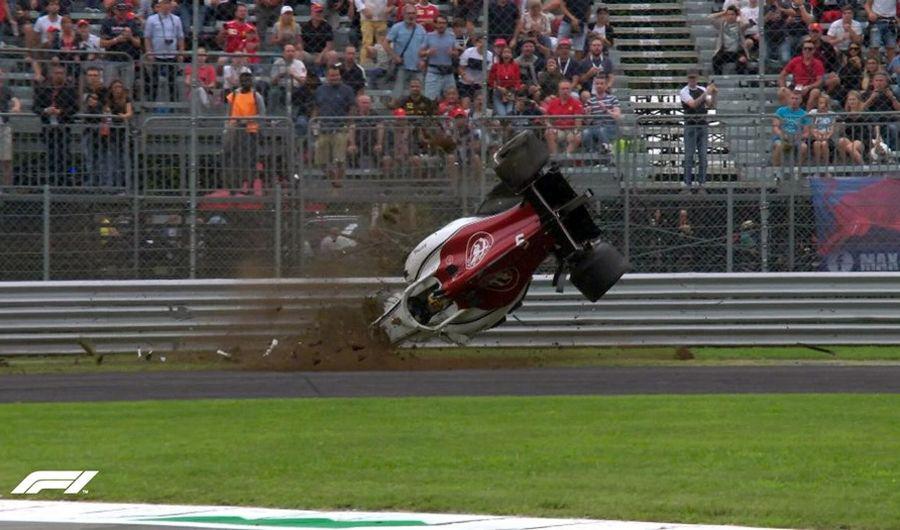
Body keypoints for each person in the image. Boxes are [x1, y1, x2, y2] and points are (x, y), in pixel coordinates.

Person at [33, 64, 78, 184]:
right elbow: (35, 107)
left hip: (64, 127)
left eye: (61, 73)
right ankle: (51, 178)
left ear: (65, 75)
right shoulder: (44, 88)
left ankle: (68, 176)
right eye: (56, 73)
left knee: (65, 154)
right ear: (52, 75)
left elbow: (75, 108)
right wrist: (45, 110)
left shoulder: (70, 90)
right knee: (50, 153)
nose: (59, 75)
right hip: (47, 127)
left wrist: (61, 111)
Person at [314, 66, 356, 187]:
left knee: (340, 159)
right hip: (324, 128)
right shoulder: (320, 90)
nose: (335, 78)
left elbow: (352, 107)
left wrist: (349, 123)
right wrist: (314, 123)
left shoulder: (347, 90)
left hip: (340, 127)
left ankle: (339, 182)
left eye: (337, 75)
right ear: (327, 77)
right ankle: (333, 179)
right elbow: (316, 108)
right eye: (332, 76)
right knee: (320, 160)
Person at [224, 71, 266, 187]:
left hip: (250, 131)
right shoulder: (233, 95)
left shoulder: (256, 96)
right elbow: (228, 113)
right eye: (243, 80)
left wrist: (246, 120)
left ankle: (250, 183)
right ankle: (235, 183)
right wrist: (227, 127)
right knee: (234, 159)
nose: (245, 83)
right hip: (234, 130)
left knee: (250, 159)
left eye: (248, 80)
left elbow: (262, 115)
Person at [679, 71, 717, 192]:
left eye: (694, 78)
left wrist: (714, 94)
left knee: (703, 156)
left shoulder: (701, 89)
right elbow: (693, 104)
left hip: (702, 124)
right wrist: (707, 92)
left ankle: (702, 184)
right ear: (687, 78)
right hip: (690, 125)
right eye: (690, 78)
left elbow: (711, 105)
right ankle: (687, 184)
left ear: (697, 78)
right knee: (689, 156)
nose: (692, 80)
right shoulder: (684, 91)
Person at [144, 0, 184, 102]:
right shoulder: (151, 19)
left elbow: (180, 37)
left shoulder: (176, 19)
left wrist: (181, 52)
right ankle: (151, 103)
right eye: (165, 3)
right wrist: (149, 52)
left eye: (169, 3)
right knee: (154, 81)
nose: (167, 6)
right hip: (156, 54)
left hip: (171, 55)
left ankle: (173, 104)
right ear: (160, 5)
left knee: (172, 82)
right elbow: (147, 37)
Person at [385, 5, 426, 97]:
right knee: (398, 93)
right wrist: (394, 56)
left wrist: (423, 60)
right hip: (402, 66)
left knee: (421, 93)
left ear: (416, 15)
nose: (411, 16)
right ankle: (397, 110)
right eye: (408, 13)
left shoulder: (421, 29)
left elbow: (425, 47)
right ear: (403, 14)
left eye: (413, 13)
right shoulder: (397, 27)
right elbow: (385, 43)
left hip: (417, 67)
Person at [778, 39, 824, 109]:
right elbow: (782, 75)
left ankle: (807, 116)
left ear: (814, 50)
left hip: (810, 88)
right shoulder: (795, 61)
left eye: (810, 49)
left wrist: (808, 87)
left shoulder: (818, 63)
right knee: (782, 91)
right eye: (805, 48)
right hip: (796, 87)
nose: (807, 50)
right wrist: (783, 87)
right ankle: (791, 112)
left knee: (815, 91)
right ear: (802, 50)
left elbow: (819, 81)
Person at [542, 79, 583, 156]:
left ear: (571, 90)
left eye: (567, 89)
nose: (565, 91)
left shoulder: (576, 103)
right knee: (548, 133)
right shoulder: (553, 103)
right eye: (563, 89)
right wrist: (549, 126)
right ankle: (555, 156)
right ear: (559, 90)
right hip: (557, 130)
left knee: (578, 136)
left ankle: (566, 155)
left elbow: (578, 121)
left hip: (571, 129)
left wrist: (576, 131)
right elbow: (546, 118)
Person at [104, 78, 132, 187]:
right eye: (115, 87)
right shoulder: (109, 99)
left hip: (123, 130)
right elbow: (106, 111)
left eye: (119, 87)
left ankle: (123, 185)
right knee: (112, 158)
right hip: (112, 130)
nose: (117, 89)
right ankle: (112, 184)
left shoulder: (126, 99)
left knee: (123, 159)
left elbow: (129, 113)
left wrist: (124, 116)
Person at [420, 15, 456, 100]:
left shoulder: (451, 36)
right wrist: (428, 52)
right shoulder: (429, 36)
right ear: (435, 24)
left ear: (447, 25)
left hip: (448, 73)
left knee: (452, 99)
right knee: (430, 99)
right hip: (433, 72)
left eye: (444, 23)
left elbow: (457, 52)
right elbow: (420, 53)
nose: (441, 25)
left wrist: (453, 53)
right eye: (439, 23)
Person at [582, 76, 620, 154]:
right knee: (585, 132)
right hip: (595, 127)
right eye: (597, 84)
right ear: (594, 86)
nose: (599, 86)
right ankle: (591, 153)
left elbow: (617, 116)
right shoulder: (590, 101)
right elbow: (587, 122)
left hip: (610, 127)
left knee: (601, 130)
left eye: (602, 84)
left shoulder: (613, 99)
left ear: (606, 86)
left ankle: (607, 151)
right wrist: (588, 114)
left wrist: (606, 110)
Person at [772, 89, 810, 167]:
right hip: (782, 137)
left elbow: (807, 132)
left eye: (797, 99)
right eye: (792, 98)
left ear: (801, 100)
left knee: (804, 147)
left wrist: (799, 137)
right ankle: (776, 169)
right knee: (779, 145)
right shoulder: (780, 111)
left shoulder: (804, 114)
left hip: (797, 138)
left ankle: (797, 168)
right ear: (788, 99)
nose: (794, 101)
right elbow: (775, 127)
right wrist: (783, 135)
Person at [710, 6, 750, 75]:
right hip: (725, 51)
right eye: (728, 14)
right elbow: (710, 18)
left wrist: (740, 14)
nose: (730, 16)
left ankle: (741, 81)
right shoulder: (722, 24)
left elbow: (747, 23)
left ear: (736, 15)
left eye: (732, 14)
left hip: (737, 52)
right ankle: (718, 79)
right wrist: (723, 12)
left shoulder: (739, 25)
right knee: (715, 59)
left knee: (742, 61)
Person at [269, 43, 307, 115]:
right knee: (273, 92)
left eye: (293, 51)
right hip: (281, 87)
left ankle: (297, 116)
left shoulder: (299, 63)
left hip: (296, 88)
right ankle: (272, 118)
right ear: (283, 53)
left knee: (302, 93)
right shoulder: (278, 63)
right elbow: (272, 82)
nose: (290, 53)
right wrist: (281, 74)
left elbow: (303, 81)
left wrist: (293, 75)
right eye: (288, 51)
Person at [0, 69, 22, 187]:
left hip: (3, 125)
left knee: (6, 159)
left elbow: (15, 100)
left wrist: (17, 106)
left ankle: (6, 187)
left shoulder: (5, 89)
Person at [488, 45, 521, 116]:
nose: (507, 54)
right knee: (502, 114)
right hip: (498, 92)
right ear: (501, 55)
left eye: (509, 52)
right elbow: (491, 81)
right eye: (504, 52)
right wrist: (499, 88)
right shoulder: (495, 66)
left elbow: (517, 80)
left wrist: (515, 89)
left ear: (512, 55)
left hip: (510, 93)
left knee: (510, 113)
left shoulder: (515, 66)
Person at [458, 33, 492, 100]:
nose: (481, 44)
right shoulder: (468, 52)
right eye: (479, 42)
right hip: (466, 83)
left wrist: (483, 82)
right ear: (476, 43)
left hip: (480, 85)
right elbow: (461, 68)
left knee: (479, 102)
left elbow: (488, 73)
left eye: (484, 42)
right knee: (466, 102)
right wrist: (466, 78)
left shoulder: (489, 56)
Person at [301, 3, 334, 70]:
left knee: (332, 54)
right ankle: (302, 76)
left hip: (323, 54)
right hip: (309, 54)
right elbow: (301, 44)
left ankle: (329, 76)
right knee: (298, 54)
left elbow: (329, 46)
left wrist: (320, 56)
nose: (319, 14)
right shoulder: (305, 27)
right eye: (317, 12)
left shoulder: (327, 26)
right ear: (312, 13)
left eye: (320, 12)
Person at [864, 0, 897, 65]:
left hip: (891, 21)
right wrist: (870, 13)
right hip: (877, 21)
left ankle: (893, 71)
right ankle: (875, 70)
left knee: (891, 48)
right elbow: (867, 5)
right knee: (874, 47)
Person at [808, 93, 835, 167]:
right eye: (820, 103)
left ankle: (826, 167)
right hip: (815, 136)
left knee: (824, 144)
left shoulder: (831, 114)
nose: (822, 105)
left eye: (825, 103)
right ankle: (818, 166)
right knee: (817, 144)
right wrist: (817, 136)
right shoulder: (813, 112)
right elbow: (811, 127)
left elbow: (832, 128)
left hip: (827, 137)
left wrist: (827, 136)